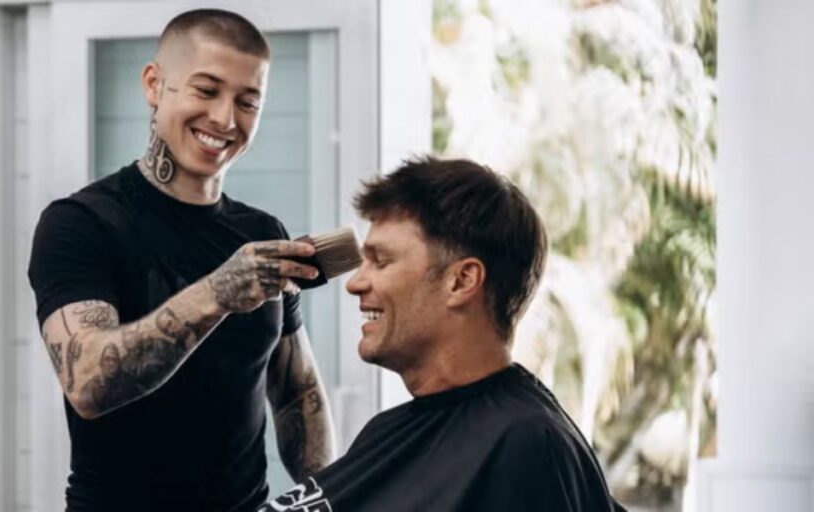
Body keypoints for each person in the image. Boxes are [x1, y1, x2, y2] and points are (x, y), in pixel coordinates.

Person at [27, 9, 336, 511]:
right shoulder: (81, 223)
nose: (225, 119)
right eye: (206, 90)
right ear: (155, 84)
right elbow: (87, 383)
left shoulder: (261, 233)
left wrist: (327, 500)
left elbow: (297, 391)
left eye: (247, 101)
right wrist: (218, 293)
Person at [261, 157, 625, 511]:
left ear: (461, 281)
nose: (355, 283)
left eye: (381, 261)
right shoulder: (385, 431)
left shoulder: (528, 444)